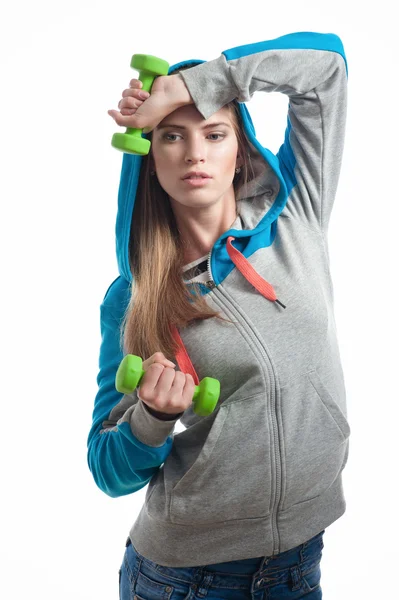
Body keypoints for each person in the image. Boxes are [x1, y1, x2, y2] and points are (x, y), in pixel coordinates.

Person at [87, 31, 350, 599]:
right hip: (188, 576)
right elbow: (107, 468)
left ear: (240, 153)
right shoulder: (134, 298)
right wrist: (151, 418)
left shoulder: (297, 215)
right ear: (149, 158)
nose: (195, 153)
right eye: (172, 136)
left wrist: (195, 84)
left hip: (300, 560)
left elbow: (327, 64)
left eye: (214, 132)